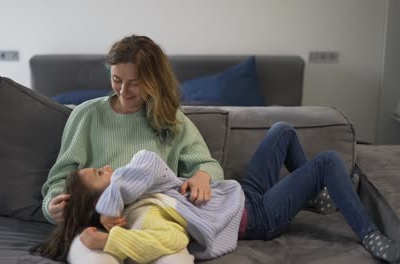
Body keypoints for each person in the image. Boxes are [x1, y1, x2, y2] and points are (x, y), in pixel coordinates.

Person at [33, 138, 400, 264]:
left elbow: (149, 160)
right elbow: (170, 242)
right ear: (98, 196)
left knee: (281, 131)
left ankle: (320, 198)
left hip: (240, 194)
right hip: (257, 218)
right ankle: (368, 234)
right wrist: (110, 232)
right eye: (100, 174)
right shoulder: (142, 212)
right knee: (329, 161)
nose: (109, 167)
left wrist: (111, 197)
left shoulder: (134, 189)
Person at [40, 35, 224, 262]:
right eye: (117, 79)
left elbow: (208, 166)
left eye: (134, 83)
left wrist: (203, 177)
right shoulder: (86, 115)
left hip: (152, 221)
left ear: (154, 80)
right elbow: (60, 179)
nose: (124, 90)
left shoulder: (172, 121)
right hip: (96, 225)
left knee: (175, 260)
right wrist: (54, 205)